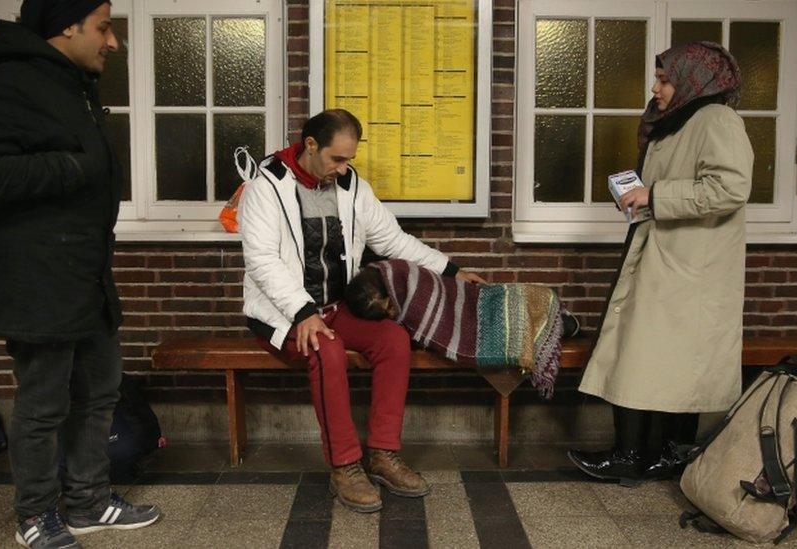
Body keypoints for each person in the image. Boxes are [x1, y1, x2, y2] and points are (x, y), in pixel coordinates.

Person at [0, 1, 159, 547]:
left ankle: (89, 502)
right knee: (44, 404)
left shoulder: (74, 84)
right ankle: (34, 514)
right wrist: (74, 166)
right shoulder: (6, 84)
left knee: (99, 392)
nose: (112, 42)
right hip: (36, 279)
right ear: (66, 26)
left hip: (87, 275)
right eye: (103, 28)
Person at [238, 109, 485, 513]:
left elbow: (393, 240)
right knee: (326, 350)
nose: (344, 167)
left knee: (394, 339)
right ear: (311, 145)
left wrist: (452, 271)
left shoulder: (352, 186)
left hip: (337, 306)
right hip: (284, 314)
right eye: (337, 158)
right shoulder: (266, 187)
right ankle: (345, 466)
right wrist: (303, 313)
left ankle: (383, 454)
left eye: (350, 158)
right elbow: (262, 261)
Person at [569, 42, 754, 485]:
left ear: (693, 79)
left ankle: (656, 455)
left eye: (664, 79)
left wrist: (654, 195)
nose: (655, 88)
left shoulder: (716, 120)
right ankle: (639, 454)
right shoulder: (678, 120)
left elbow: (729, 188)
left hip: (694, 267)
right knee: (644, 355)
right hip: (665, 255)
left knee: (663, 359)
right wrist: (641, 195)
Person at [344, 260, 581, 396]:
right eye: (386, 314)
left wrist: (455, 272)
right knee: (518, 313)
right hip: (469, 310)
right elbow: (420, 321)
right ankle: (553, 321)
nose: (392, 314)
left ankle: (553, 317)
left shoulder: (401, 275)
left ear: (389, 291)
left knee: (515, 300)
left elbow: (440, 295)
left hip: (473, 299)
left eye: (389, 307)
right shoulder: (386, 311)